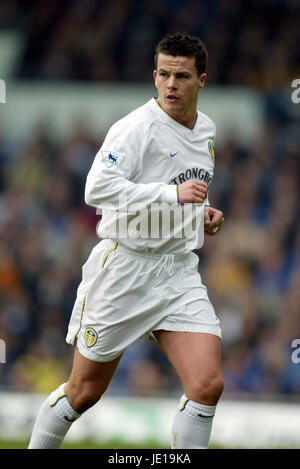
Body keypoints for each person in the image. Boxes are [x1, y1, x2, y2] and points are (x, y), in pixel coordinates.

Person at [28, 32, 224, 449]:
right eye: (165, 74)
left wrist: (198, 216)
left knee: (207, 384)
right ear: (154, 76)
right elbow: (96, 189)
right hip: (125, 268)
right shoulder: (135, 129)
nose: (172, 84)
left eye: (182, 76)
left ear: (201, 80)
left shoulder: (206, 130)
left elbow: (183, 189)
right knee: (83, 392)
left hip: (176, 270)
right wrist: (172, 196)